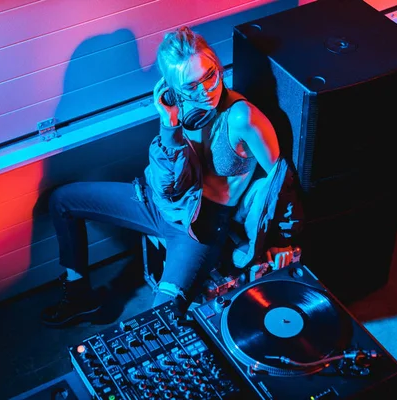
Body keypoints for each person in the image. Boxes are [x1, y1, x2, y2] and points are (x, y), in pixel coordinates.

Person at [41, 26, 299, 327]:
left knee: (157, 322)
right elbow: (168, 184)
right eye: (190, 86)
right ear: (172, 88)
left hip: (197, 230)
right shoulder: (177, 110)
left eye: (210, 75)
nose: (205, 91)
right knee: (62, 200)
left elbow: (282, 182)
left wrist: (282, 238)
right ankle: (78, 296)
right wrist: (169, 124)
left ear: (216, 64)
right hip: (157, 203)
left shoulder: (243, 118)